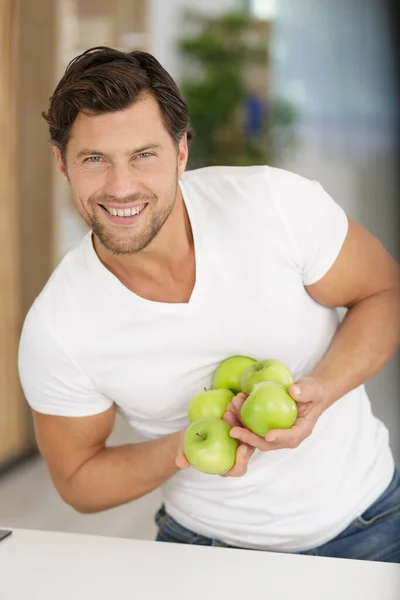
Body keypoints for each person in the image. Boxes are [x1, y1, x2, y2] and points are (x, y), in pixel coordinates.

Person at [18, 46, 400, 563]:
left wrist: (321, 393)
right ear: (63, 165)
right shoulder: (58, 326)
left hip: (370, 522)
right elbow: (78, 479)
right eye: (94, 160)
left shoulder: (274, 205)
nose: (121, 186)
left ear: (180, 153)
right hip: (205, 547)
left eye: (143, 155)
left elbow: (385, 291)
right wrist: (185, 448)